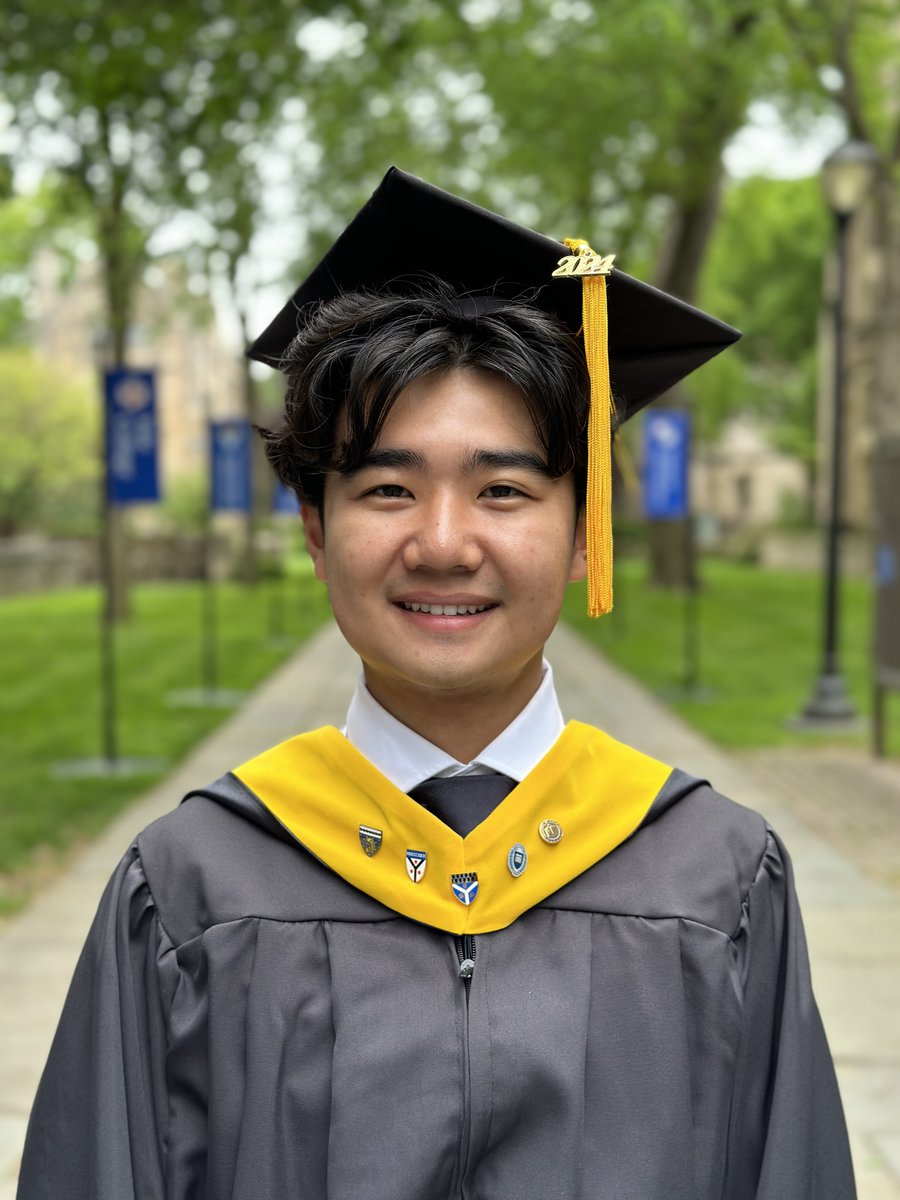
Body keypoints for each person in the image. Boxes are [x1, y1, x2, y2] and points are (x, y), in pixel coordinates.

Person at [17, 168, 855, 1200]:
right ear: (318, 534)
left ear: (588, 531)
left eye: (503, 489)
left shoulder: (719, 882)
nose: (445, 543)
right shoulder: (188, 892)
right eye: (388, 489)